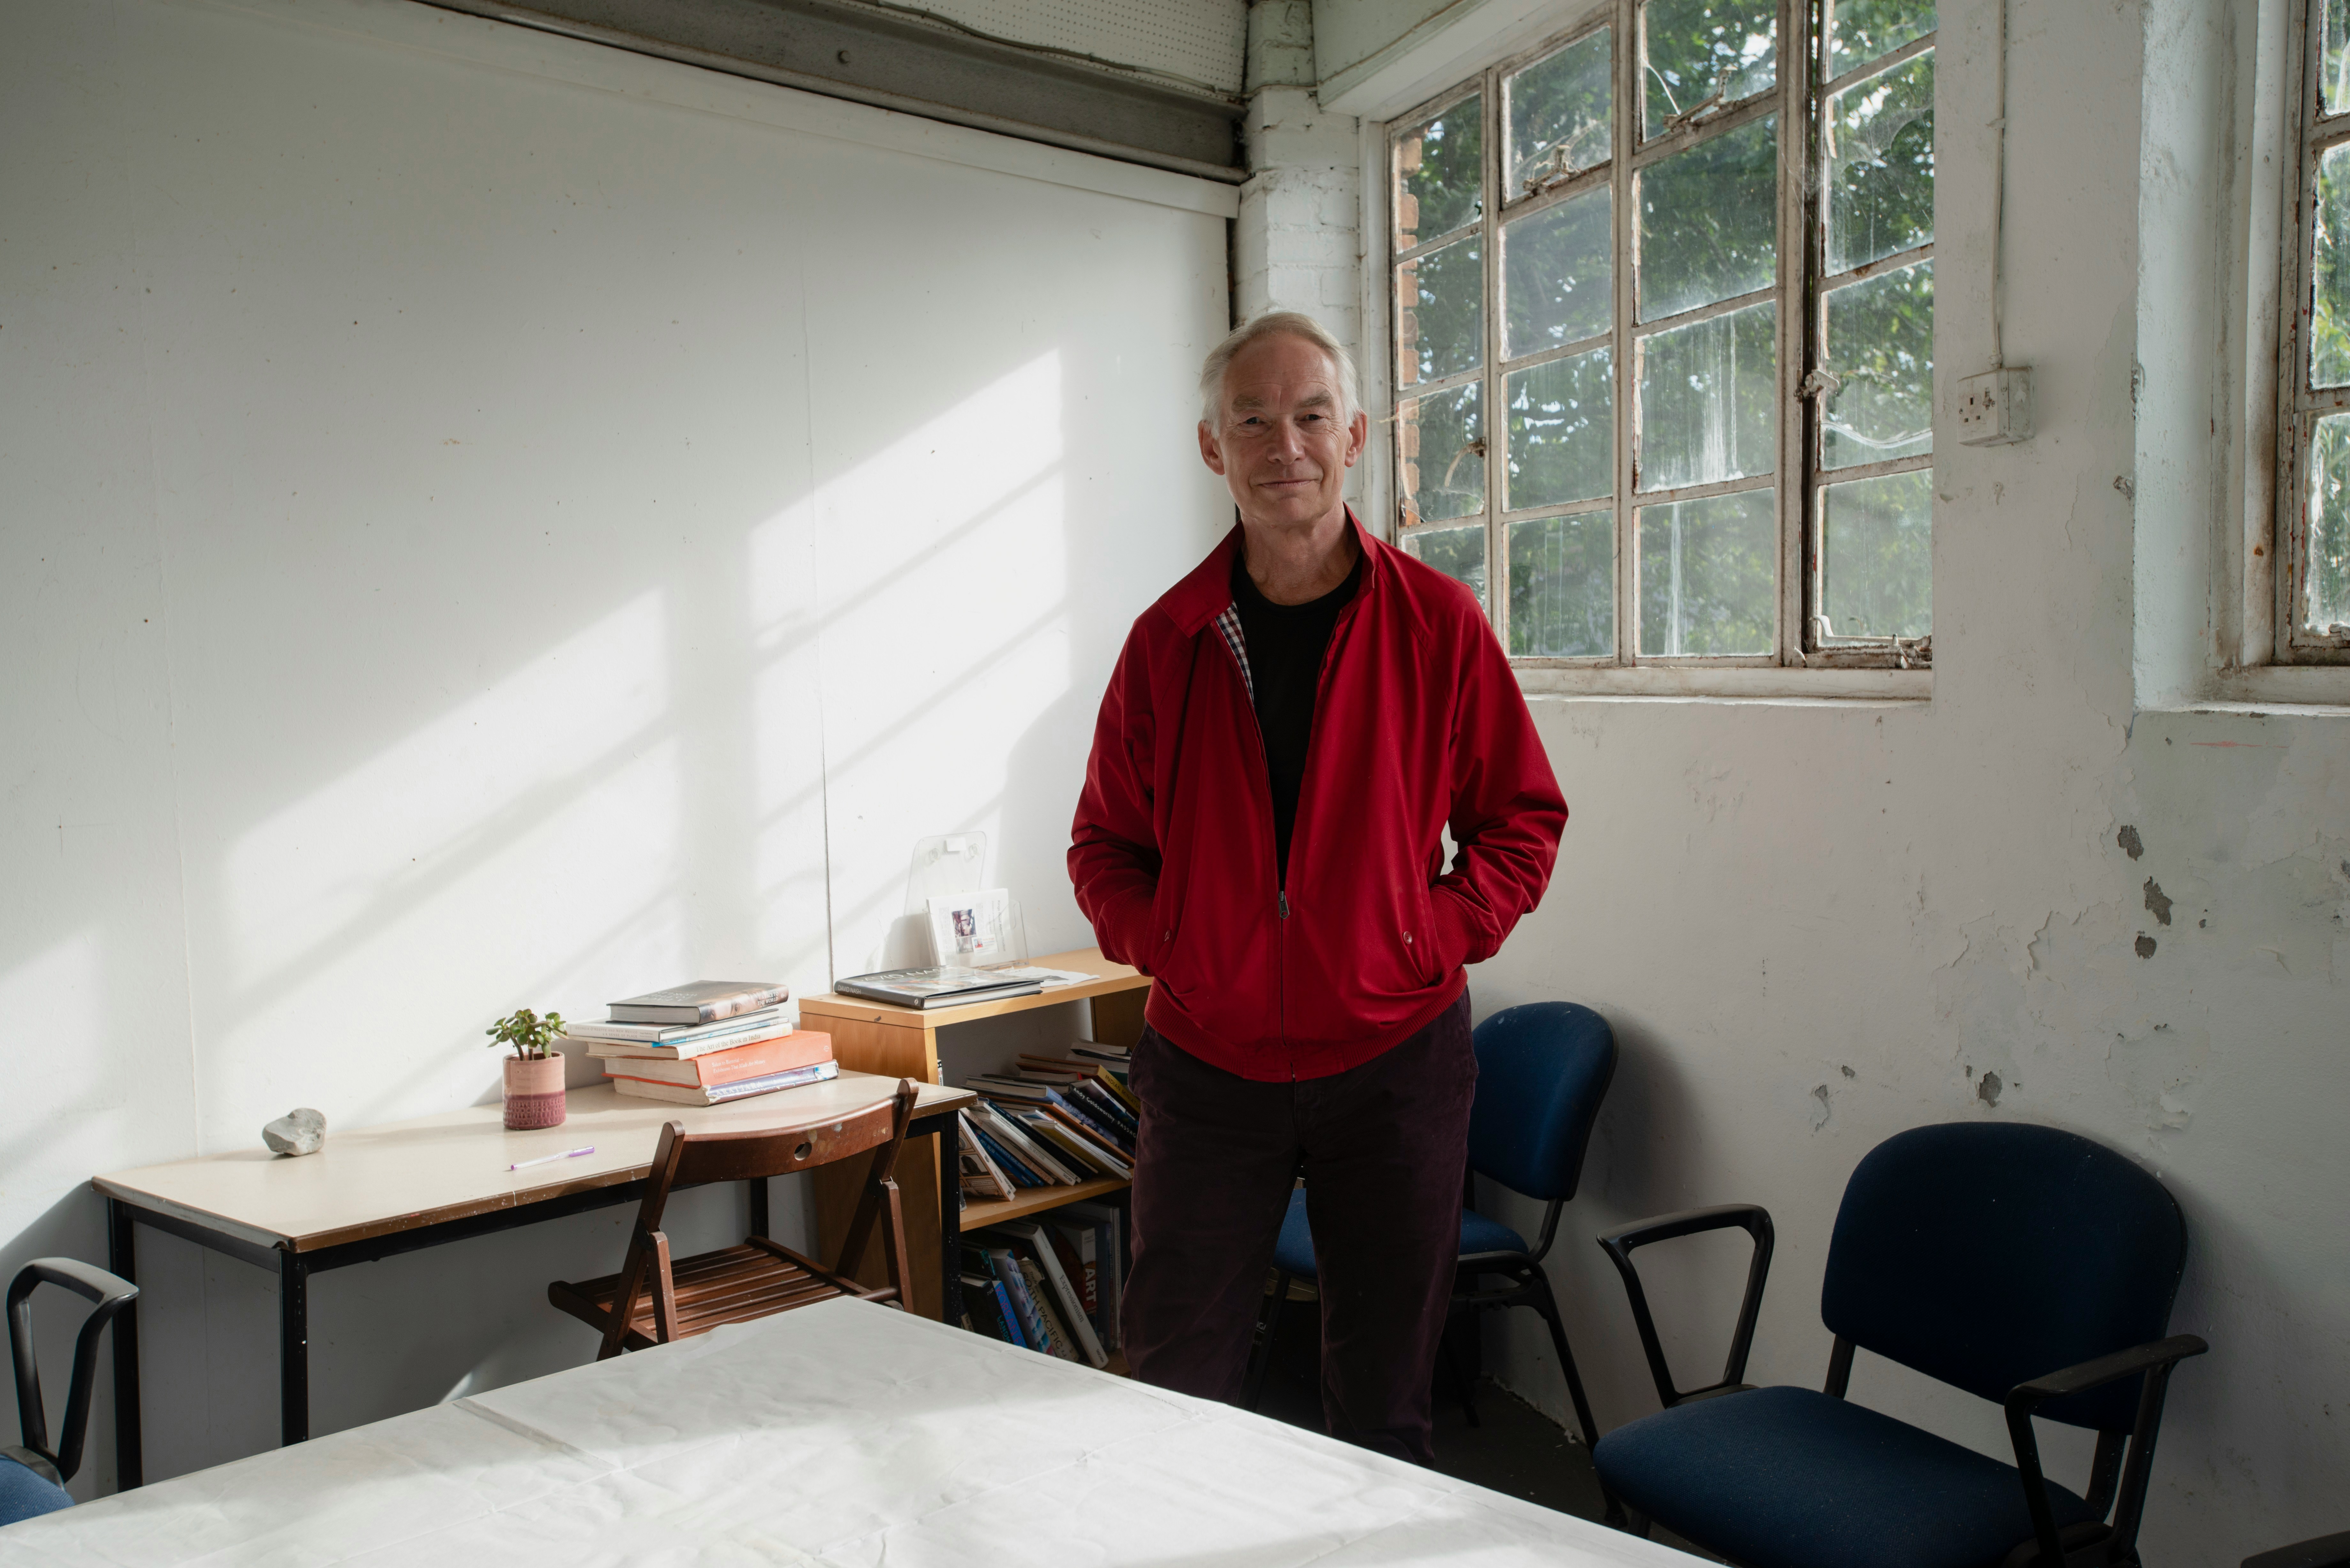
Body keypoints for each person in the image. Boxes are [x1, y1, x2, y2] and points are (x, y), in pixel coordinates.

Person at [1067, 311, 1567, 1463]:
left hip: (1396, 1062)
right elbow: (1104, 847)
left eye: (1307, 417)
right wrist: (1183, 947)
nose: (1281, 443)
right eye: (1253, 419)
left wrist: (1420, 939)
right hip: (1208, 1065)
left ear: (1355, 438)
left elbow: (1521, 822)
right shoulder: (1166, 641)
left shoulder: (1438, 624)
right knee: (1173, 1377)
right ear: (1213, 448)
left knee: (1386, 1400)